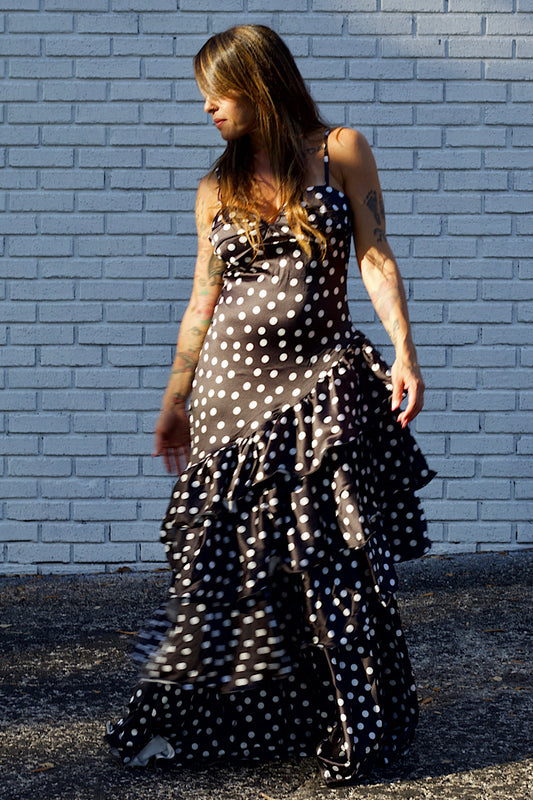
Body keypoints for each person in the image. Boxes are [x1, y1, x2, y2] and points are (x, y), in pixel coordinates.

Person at [105, 25, 435, 786]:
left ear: (257, 82)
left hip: (321, 387)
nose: (208, 110)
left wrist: (404, 350)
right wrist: (173, 400)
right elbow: (201, 303)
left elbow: (375, 255)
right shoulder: (214, 187)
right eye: (203, 99)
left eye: (217, 94)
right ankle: (253, 715)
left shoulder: (339, 149)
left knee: (334, 562)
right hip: (227, 397)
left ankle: (359, 722)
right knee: (234, 569)